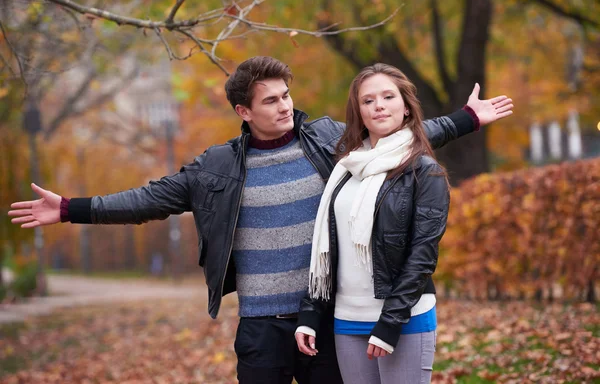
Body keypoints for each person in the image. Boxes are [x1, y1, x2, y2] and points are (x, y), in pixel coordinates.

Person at [9, 56, 513, 384]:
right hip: (260, 327)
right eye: (271, 101)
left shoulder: (329, 141)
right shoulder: (216, 168)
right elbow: (149, 199)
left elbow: (395, 139)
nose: (286, 107)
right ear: (242, 110)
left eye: (287, 96)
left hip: (324, 319)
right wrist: (70, 209)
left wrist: (467, 120)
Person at [294, 63, 455, 383]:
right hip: (347, 320)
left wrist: (390, 323)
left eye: (388, 96)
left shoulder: (425, 172)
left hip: (403, 319)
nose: (378, 105)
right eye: (368, 101)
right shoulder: (345, 170)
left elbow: (422, 255)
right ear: (359, 113)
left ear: (406, 108)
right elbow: (329, 246)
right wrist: (310, 314)